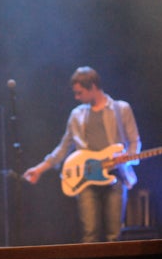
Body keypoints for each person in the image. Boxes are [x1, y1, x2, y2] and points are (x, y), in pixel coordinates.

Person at [22, 66, 141, 243]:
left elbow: (134, 142)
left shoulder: (121, 109)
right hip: (86, 179)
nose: (77, 98)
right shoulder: (77, 115)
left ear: (93, 86)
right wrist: (40, 169)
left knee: (114, 235)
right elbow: (63, 148)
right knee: (90, 233)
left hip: (116, 175)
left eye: (80, 93)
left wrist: (128, 157)